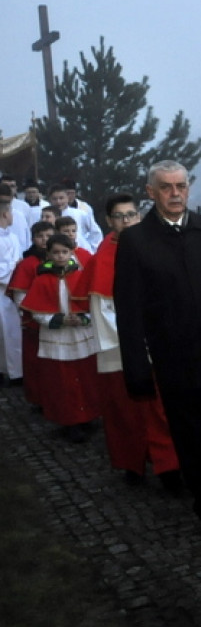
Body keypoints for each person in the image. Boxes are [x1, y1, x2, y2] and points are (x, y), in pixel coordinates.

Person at [114, 160, 201, 543]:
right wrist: (136, 368)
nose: (175, 193)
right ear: (151, 192)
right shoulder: (135, 242)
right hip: (174, 359)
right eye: (166, 187)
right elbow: (128, 310)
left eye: (181, 185)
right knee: (191, 434)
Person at [81, 193, 180, 492]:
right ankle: (131, 464)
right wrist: (139, 342)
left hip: (158, 347)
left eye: (132, 215)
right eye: (120, 216)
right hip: (120, 351)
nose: (127, 221)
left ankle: (170, 468)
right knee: (125, 416)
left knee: (162, 413)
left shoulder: (154, 248)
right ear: (110, 221)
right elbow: (104, 312)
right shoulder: (103, 259)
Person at [20, 233, 99, 442]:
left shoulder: (82, 275)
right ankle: (69, 421)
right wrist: (60, 320)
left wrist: (83, 319)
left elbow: (94, 304)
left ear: (72, 252)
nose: (61, 256)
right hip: (57, 338)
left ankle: (88, 416)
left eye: (65, 252)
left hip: (82, 335)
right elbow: (36, 312)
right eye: (56, 252)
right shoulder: (42, 279)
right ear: (48, 255)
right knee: (62, 382)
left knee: (85, 378)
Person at [8, 220, 55, 403]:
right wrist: (32, 314)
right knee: (36, 363)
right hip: (34, 322)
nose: (44, 240)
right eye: (40, 236)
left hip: (58, 320)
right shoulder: (27, 264)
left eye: (48, 236)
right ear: (33, 238)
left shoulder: (60, 258)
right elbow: (20, 295)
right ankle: (39, 398)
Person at [0, 183, 25, 385]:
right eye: (9, 212)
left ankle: (16, 372)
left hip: (13, 292)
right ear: (4, 215)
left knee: (13, 333)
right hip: (2, 291)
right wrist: (14, 267)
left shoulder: (14, 237)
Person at [47, 183, 101, 252]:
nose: (58, 202)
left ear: (67, 198)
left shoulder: (80, 213)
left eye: (61, 198)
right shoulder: (46, 216)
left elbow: (96, 232)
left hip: (79, 250)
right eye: (54, 199)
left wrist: (92, 248)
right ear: (49, 200)